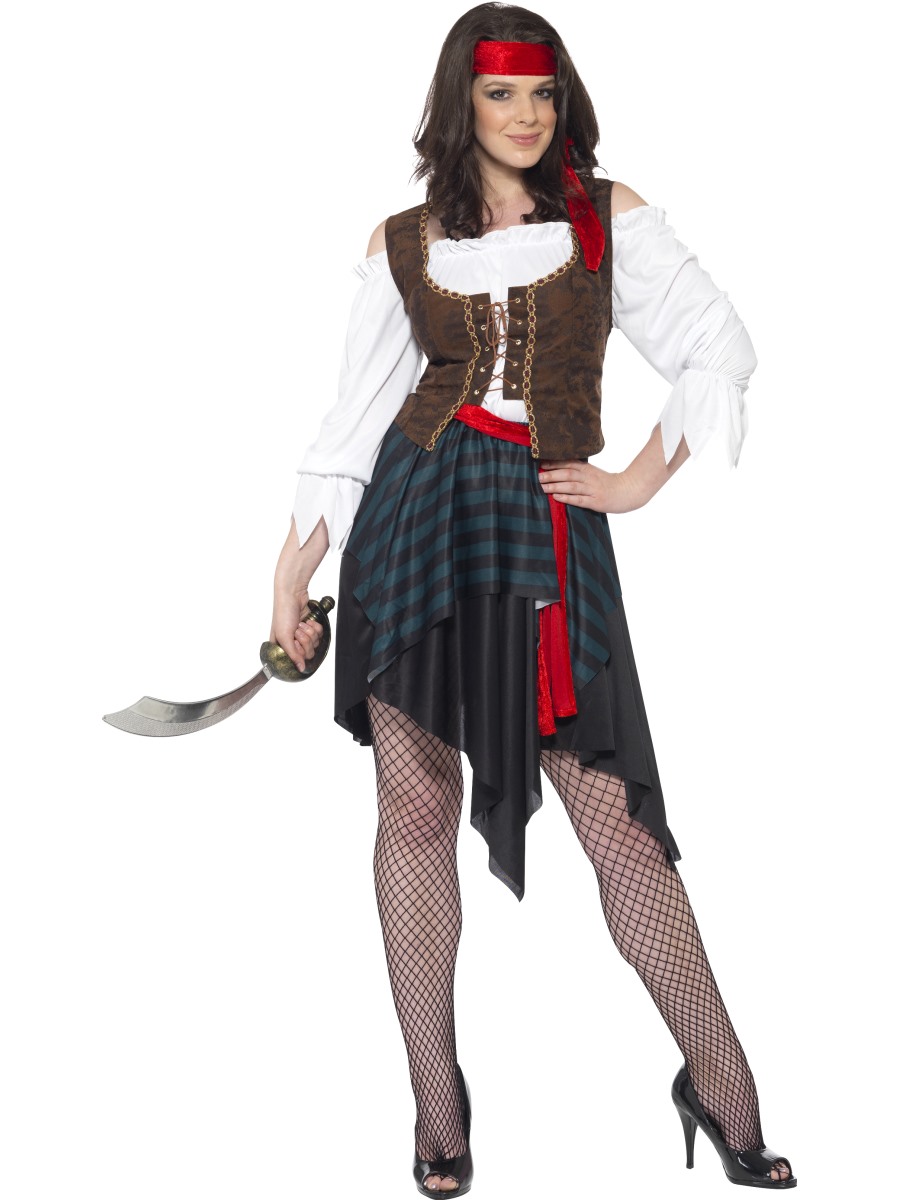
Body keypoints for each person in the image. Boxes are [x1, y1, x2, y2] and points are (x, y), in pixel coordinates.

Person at [270, 3, 797, 1193]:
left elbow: (722, 351)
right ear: (461, 102)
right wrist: (289, 583)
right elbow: (349, 431)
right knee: (414, 808)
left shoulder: (606, 220)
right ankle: (436, 1109)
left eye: (543, 93)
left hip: (548, 533)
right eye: (501, 92)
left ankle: (724, 1087)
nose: (526, 114)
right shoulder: (405, 241)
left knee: (620, 825)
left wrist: (635, 482)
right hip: (414, 527)